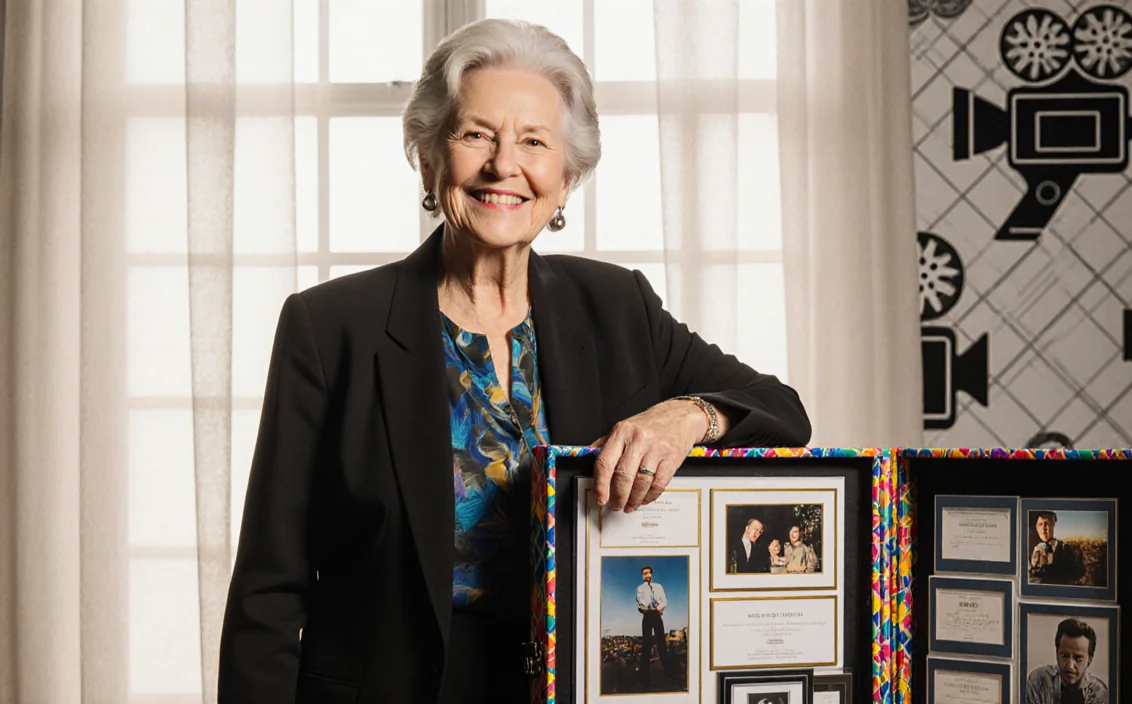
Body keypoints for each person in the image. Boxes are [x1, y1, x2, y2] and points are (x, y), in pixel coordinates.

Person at [215, 17, 810, 704]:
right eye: (476, 135)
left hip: (571, 686)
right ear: (429, 160)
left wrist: (687, 416)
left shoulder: (617, 306)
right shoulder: (329, 327)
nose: (504, 165)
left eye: (534, 141)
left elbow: (784, 413)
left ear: (566, 177)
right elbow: (267, 590)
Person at [1025, 618, 1109, 704]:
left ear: (1089, 660)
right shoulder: (1039, 681)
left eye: (1078, 658)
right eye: (1064, 656)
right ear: (1056, 653)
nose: (1070, 666)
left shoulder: (1098, 692)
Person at [635, 566, 682, 691]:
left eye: (648, 573)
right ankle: (645, 678)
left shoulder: (658, 587)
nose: (646, 575)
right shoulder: (640, 588)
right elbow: (640, 603)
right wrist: (648, 606)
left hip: (656, 615)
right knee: (646, 645)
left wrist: (659, 607)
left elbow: (664, 600)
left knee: (662, 644)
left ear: (651, 574)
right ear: (642, 576)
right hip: (647, 615)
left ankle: (669, 674)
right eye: (644, 573)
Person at [1028, 511, 1086, 585]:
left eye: (1047, 524)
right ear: (1036, 528)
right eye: (1040, 524)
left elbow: (1074, 575)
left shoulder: (1064, 548)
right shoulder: (1033, 550)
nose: (1043, 528)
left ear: (1053, 525)